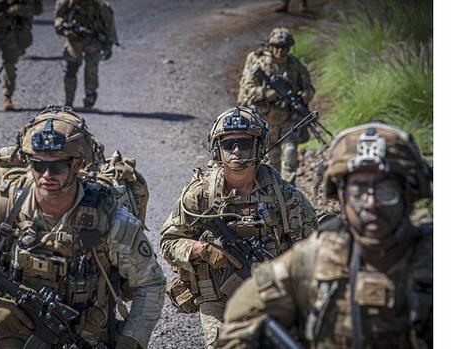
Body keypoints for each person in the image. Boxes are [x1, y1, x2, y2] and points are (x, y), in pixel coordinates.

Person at [0, 105, 165, 349]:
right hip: (19, 334)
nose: (46, 175)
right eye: (38, 165)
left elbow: (150, 283)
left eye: (57, 166)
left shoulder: (109, 218)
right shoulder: (2, 206)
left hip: (88, 336)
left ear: (78, 164)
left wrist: (132, 340)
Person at [217, 122, 433, 349]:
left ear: (409, 194)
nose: (372, 204)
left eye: (387, 191)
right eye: (358, 191)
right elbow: (237, 327)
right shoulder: (310, 262)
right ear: (341, 195)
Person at [160, 107, 317, 349]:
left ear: (259, 147)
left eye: (244, 144)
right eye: (228, 144)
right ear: (217, 149)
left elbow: (314, 252)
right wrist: (201, 250)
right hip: (218, 298)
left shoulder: (286, 198)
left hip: (272, 294)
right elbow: (168, 243)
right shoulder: (200, 194)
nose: (236, 151)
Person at [238, 27, 315, 185]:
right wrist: (267, 93)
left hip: (288, 119)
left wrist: (306, 94)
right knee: (270, 159)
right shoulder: (260, 64)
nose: (280, 51)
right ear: (270, 46)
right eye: (277, 47)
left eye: (284, 47)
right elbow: (247, 91)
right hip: (265, 120)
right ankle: (270, 193)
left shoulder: (296, 66)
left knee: (290, 153)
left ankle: (289, 192)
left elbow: (309, 88)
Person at [54, 0, 118, 109]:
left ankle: (90, 95)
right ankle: (68, 101)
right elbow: (58, 17)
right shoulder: (68, 2)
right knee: (71, 68)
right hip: (74, 39)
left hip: (93, 40)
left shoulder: (100, 5)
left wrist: (109, 45)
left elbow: (109, 24)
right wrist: (63, 28)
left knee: (91, 69)